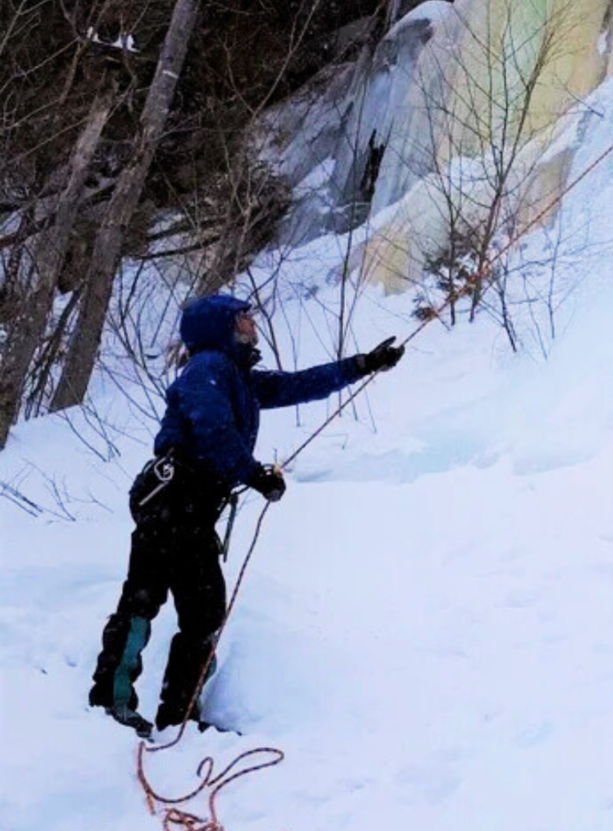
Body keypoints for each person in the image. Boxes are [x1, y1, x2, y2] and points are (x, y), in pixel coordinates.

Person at [89, 293, 404, 735]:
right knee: (146, 602)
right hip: (169, 502)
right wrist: (253, 473)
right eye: (243, 319)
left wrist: (362, 365)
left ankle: (177, 715)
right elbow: (210, 427)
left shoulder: (236, 375)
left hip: (192, 510)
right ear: (220, 327)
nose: (252, 325)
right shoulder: (207, 369)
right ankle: (110, 704)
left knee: (201, 614)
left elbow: (297, 385)